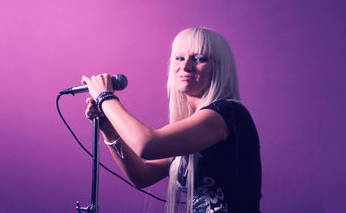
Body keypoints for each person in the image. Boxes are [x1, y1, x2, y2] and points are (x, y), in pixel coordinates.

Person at [82, 27, 262, 213]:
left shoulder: (226, 113)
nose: (185, 67)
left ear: (219, 68)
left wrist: (105, 97)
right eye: (179, 58)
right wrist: (108, 128)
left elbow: (147, 145)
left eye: (199, 59)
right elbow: (141, 176)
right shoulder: (194, 126)